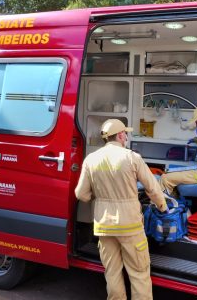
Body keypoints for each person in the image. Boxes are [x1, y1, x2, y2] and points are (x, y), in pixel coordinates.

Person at [75, 119, 167, 300]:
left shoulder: (91, 159)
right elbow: (152, 188)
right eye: (125, 133)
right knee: (139, 273)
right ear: (119, 135)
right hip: (130, 226)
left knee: (112, 273)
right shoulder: (132, 157)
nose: (126, 136)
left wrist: (99, 196)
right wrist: (163, 207)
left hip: (104, 226)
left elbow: (81, 194)